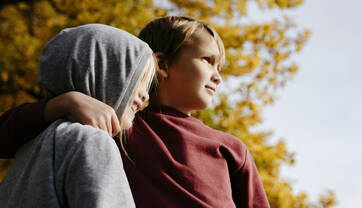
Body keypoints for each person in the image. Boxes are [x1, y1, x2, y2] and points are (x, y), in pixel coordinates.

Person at [0, 16, 270, 207]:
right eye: (207, 61)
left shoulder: (232, 149)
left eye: (219, 67)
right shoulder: (119, 125)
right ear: (161, 64)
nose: (217, 76)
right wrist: (62, 104)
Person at [0, 24, 157, 208]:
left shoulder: (32, 143)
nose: (145, 95)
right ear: (104, 71)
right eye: (138, 80)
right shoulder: (92, 142)